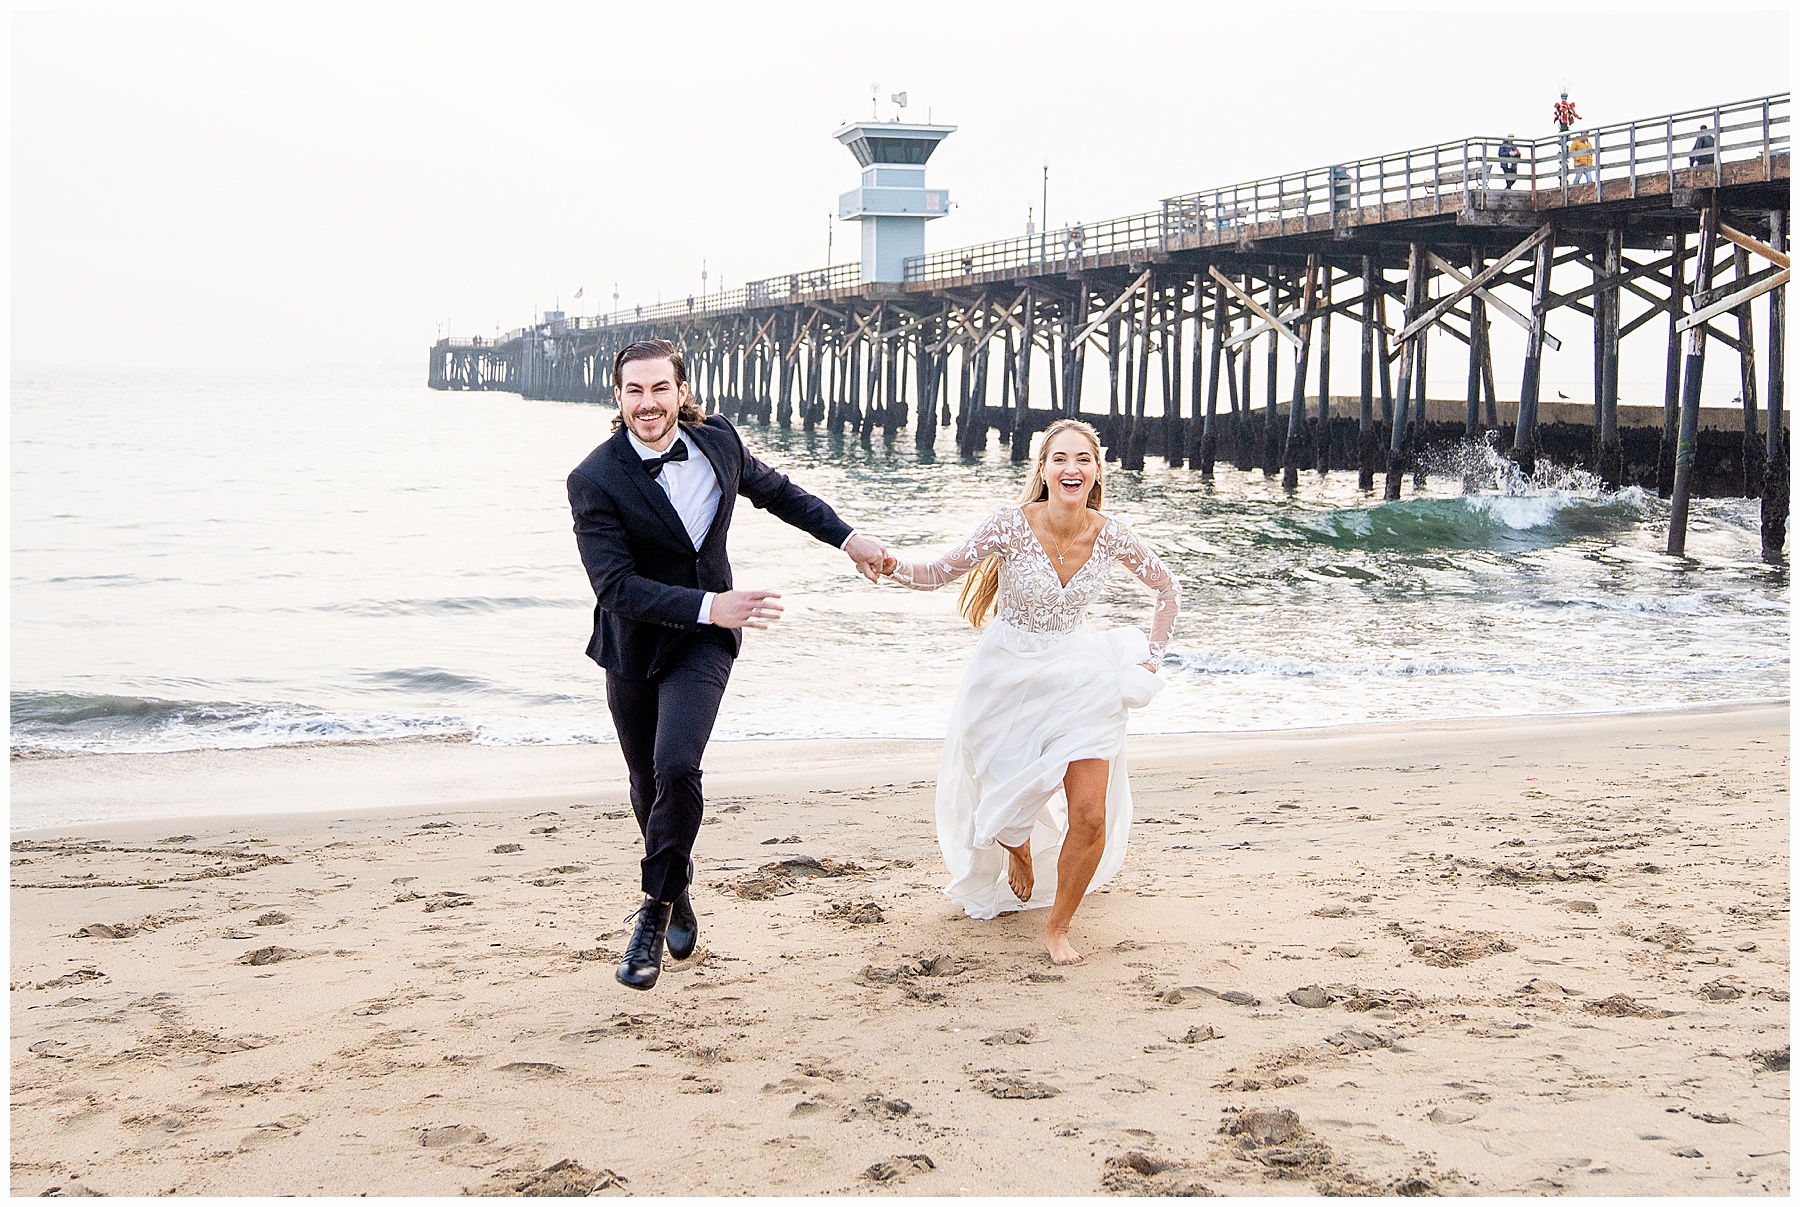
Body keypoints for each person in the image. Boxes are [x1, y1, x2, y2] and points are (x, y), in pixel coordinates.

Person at [568, 339, 889, 991]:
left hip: (705, 642)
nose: (648, 403)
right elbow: (615, 586)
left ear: (681, 390)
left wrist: (849, 538)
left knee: (677, 765)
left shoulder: (718, 442)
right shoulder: (593, 478)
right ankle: (678, 884)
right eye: (635, 390)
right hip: (633, 645)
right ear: (618, 396)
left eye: (660, 388)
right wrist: (712, 603)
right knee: (644, 783)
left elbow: (780, 493)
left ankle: (650, 913)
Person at [880, 419, 1179, 964]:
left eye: (1082, 460)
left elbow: (1167, 589)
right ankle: (1017, 848)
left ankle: (1059, 928)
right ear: (1041, 470)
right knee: (1002, 802)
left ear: (1096, 472)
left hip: (1080, 678)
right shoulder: (1009, 526)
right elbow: (937, 572)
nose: (1071, 468)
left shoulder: (1109, 533)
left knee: (1090, 814)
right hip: (1005, 679)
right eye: (1059, 459)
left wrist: (1152, 662)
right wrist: (888, 562)